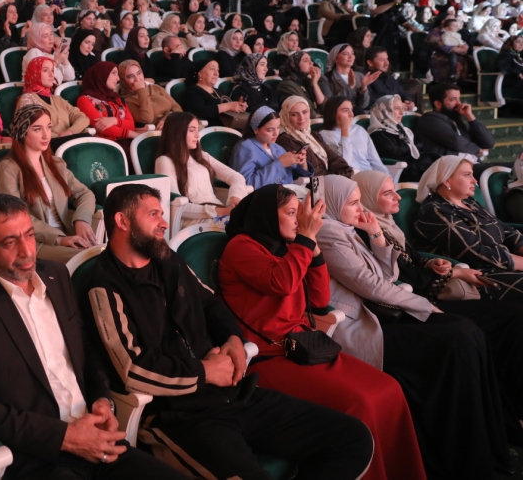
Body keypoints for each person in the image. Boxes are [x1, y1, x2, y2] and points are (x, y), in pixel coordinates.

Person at [82, 184, 374, 478]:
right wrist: (205, 372)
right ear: (122, 221)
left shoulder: (168, 260)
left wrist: (233, 338)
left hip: (236, 394)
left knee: (353, 438)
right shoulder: (104, 286)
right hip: (179, 415)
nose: (164, 223)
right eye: (153, 214)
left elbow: (210, 302)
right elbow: (133, 369)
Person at [0, 195, 186, 480]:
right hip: (38, 458)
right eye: (10, 242)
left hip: (97, 438)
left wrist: (102, 400)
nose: (27, 251)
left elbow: (86, 348)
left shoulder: (56, 275)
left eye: (30, 235)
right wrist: (65, 436)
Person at [219, 184, 427, 480]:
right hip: (268, 356)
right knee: (360, 403)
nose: (299, 220)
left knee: (389, 388)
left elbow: (318, 299)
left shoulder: (290, 247)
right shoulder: (241, 247)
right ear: (267, 215)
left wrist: (314, 250)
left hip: (304, 347)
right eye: (291, 213)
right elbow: (281, 283)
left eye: (300, 213)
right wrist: (305, 241)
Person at [317, 174, 511, 480]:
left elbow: (387, 275)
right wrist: (426, 306)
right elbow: (372, 286)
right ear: (333, 203)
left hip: (384, 309)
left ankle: (487, 443)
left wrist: (375, 234)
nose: (360, 209)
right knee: (457, 339)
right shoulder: (328, 232)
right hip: (361, 321)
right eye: (353, 203)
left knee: (467, 334)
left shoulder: (346, 228)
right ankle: (465, 456)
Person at [357, 168, 523, 420]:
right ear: (367, 197)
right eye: (388, 193)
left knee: (513, 315)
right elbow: (400, 276)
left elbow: (412, 260)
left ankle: (512, 401)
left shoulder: (387, 224)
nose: (398, 197)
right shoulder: (368, 232)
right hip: (416, 301)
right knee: (501, 320)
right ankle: (504, 408)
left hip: (427, 289)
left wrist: (432, 264)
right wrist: (454, 273)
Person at [0, 105, 97, 263]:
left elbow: (85, 193)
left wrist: (81, 220)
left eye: (49, 127)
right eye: (37, 129)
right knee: (89, 259)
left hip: (67, 233)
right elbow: (15, 216)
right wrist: (59, 238)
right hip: (35, 241)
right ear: (22, 132)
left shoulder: (56, 163)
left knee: (107, 254)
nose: (46, 135)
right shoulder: (8, 168)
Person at [415, 156, 523, 299]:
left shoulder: (468, 202)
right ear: (446, 180)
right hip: (476, 275)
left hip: (503, 264)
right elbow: (475, 253)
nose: (474, 180)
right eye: (467, 175)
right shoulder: (435, 211)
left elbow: (504, 229)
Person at [155, 112, 251, 225]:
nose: (197, 135)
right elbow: (175, 204)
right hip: (193, 220)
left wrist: (235, 196)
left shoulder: (202, 156)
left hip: (218, 212)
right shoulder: (164, 161)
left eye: (198, 130)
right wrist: (221, 211)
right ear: (176, 132)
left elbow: (236, 177)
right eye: (192, 130)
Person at [231, 106, 310, 189]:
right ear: (255, 129)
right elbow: (246, 184)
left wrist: (302, 164)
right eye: (270, 130)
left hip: (288, 193)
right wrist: (280, 164)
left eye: (278, 127)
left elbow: (294, 176)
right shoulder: (245, 148)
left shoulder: (277, 148)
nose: (276, 133)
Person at [17, 57, 90, 145]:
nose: (51, 74)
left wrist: (70, 132)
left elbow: (83, 118)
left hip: (68, 140)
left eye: (52, 70)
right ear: (34, 73)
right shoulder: (27, 99)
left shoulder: (58, 99)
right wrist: (60, 136)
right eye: (45, 70)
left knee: (90, 140)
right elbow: (30, 129)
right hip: (47, 144)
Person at [415, 83, 494, 164]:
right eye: (453, 99)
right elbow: (456, 142)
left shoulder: (456, 121)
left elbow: (488, 143)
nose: (459, 103)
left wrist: (470, 117)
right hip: (448, 167)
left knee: (502, 168)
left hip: (470, 165)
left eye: (459, 99)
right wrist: (478, 150)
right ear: (438, 104)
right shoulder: (430, 119)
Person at [276, 95, 353, 177]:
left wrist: (345, 171)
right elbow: (309, 170)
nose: (301, 118)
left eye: (305, 112)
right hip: (317, 181)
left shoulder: (314, 135)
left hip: (332, 178)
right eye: (294, 114)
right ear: (285, 116)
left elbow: (333, 158)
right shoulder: (286, 140)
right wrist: (336, 176)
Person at [317, 96, 388, 175]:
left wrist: (388, 177)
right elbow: (344, 163)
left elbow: (375, 161)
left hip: (370, 174)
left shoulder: (359, 130)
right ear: (332, 113)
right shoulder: (324, 135)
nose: (351, 114)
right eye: (345, 110)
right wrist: (345, 130)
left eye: (351, 110)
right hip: (350, 176)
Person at [366, 94, 430, 181]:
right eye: (397, 108)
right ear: (384, 111)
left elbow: (422, 152)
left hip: (420, 170)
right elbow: (399, 162)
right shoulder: (378, 136)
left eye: (402, 108)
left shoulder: (404, 131)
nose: (402, 113)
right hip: (404, 176)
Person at [76, 62, 136, 141]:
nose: (118, 78)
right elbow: (101, 127)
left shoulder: (118, 98)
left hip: (127, 140)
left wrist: (114, 121)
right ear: (101, 75)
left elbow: (131, 125)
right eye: (114, 73)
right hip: (105, 144)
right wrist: (130, 134)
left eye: (117, 74)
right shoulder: (84, 99)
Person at [117, 60, 179, 127]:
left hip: (173, 122)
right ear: (123, 80)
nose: (137, 79)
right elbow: (147, 119)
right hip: (156, 131)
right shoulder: (126, 101)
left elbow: (177, 108)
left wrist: (166, 118)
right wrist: (141, 90)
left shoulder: (155, 87)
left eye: (139, 73)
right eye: (131, 76)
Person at [318, 43, 375, 112]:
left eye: (352, 53)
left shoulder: (359, 76)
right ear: (335, 58)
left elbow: (364, 105)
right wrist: (350, 86)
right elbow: (331, 104)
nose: (351, 56)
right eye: (345, 54)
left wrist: (363, 87)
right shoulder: (325, 78)